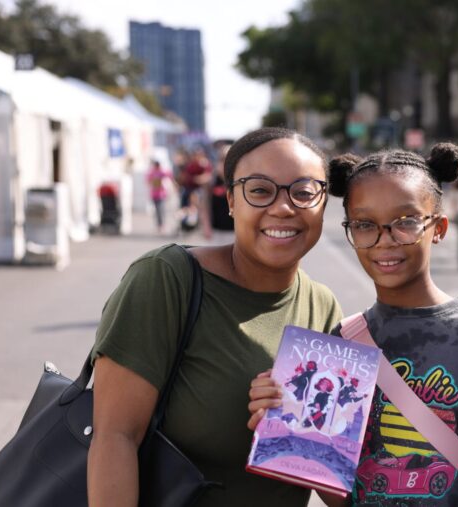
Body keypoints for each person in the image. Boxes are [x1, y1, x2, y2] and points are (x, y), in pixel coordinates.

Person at [249, 144, 458, 506]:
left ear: (438, 227)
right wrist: (282, 421)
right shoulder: (340, 345)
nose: (384, 241)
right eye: (364, 225)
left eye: (405, 222)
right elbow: (344, 497)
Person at [87, 127, 343, 507]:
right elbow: (114, 437)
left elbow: (331, 485)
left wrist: (299, 428)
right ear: (231, 201)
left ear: (323, 204)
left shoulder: (322, 306)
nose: (283, 206)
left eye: (304, 192)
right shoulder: (166, 278)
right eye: (259, 190)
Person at [145, 159, 173, 233]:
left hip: (161, 194)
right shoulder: (152, 172)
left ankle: (162, 225)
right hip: (155, 194)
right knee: (157, 211)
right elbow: (147, 180)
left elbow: (169, 175)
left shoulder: (160, 171)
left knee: (161, 210)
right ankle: (159, 225)